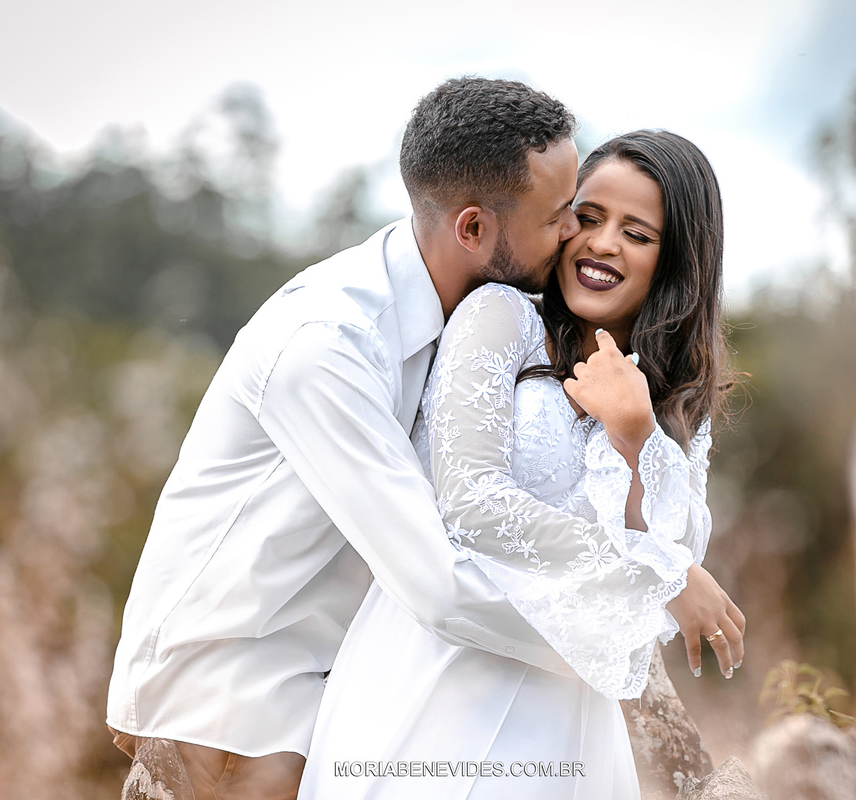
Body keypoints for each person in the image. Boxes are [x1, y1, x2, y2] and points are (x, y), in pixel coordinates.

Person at [105, 77, 584, 800]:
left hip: (322, 706)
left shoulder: (469, 325)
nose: (574, 232)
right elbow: (439, 582)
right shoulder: (327, 345)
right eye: (557, 216)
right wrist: (612, 632)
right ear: (473, 230)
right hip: (234, 719)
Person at [298, 130, 744, 800]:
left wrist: (635, 435)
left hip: (567, 707)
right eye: (588, 217)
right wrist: (659, 572)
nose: (602, 244)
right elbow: (472, 505)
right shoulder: (502, 317)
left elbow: (678, 547)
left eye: (637, 233)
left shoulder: (677, 399)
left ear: (676, 259)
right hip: (441, 675)